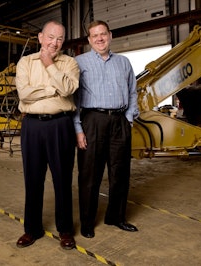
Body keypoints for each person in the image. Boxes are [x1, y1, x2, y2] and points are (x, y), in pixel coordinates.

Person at [15, 20, 80, 249]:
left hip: (60, 125)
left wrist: (50, 65)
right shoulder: (25, 62)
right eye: (51, 37)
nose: (55, 42)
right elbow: (24, 94)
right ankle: (32, 230)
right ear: (41, 37)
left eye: (60, 38)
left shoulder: (70, 63)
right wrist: (54, 88)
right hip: (32, 126)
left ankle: (65, 230)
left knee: (63, 179)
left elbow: (69, 90)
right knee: (33, 179)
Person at [73, 20, 139, 238]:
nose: (99, 38)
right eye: (95, 35)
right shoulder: (78, 62)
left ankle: (116, 217)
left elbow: (132, 92)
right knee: (89, 174)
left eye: (103, 34)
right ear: (89, 40)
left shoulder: (124, 62)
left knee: (120, 173)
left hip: (119, 120)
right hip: (92, 121)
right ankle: (87, 222)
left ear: (110, 35)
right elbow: (72, 98)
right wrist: (78, 129)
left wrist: (128, 119)